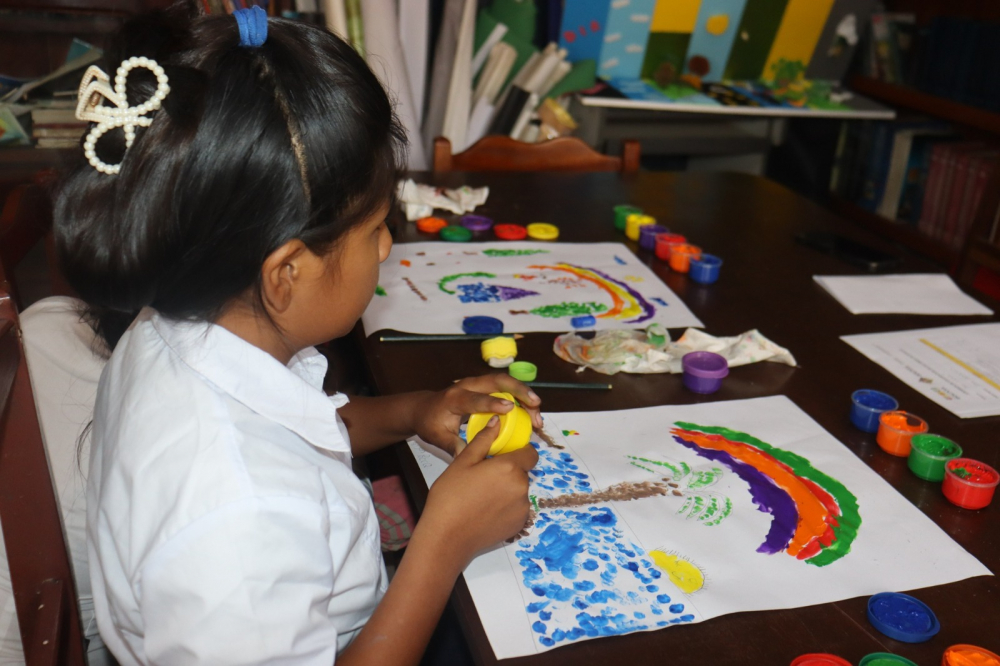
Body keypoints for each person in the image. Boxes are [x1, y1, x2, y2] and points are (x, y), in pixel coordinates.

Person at [53, 4, 539, 664]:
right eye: (374, 230)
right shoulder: (238, 519)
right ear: (285, 274)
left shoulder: (178, 325)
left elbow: (294, 430)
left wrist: (412, 412)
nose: (390, 247)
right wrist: (444, 543)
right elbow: (268, 478)